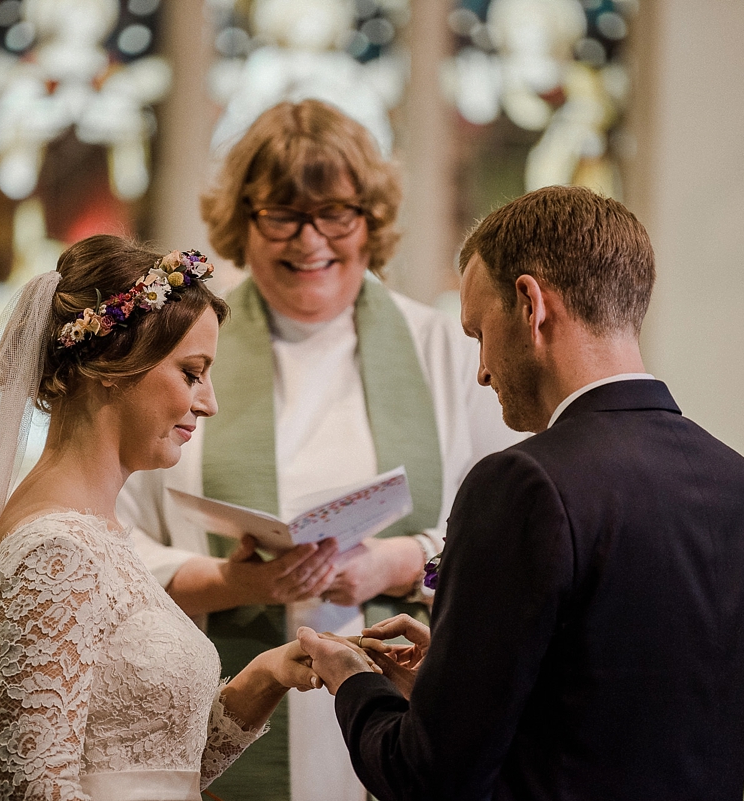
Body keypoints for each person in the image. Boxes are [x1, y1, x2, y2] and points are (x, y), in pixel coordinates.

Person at [299, 186, 744, 800]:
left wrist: (353, 681)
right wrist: (454, 682)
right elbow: (631, 718)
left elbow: (429, 777)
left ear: (530, 304)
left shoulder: (522, 484)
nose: (482, 369)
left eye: (479, 333)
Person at [0, 236, 362, 801]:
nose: (209, 402)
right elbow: (36, 792)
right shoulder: (53, 553)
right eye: (192, 373)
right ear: (114, 367)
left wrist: (267, 674)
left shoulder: (96, 533)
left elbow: (156, 767)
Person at [116, 99, 519, 801]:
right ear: (244, 218)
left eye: (336, 212)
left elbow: (510, 530)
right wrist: (234, 581)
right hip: (227, 707)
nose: (311, 241)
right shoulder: (184, 349)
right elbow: (109, 534)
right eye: (282, 213)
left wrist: (394, 562)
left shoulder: (444, 349)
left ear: (372, 218)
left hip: (405, 706)